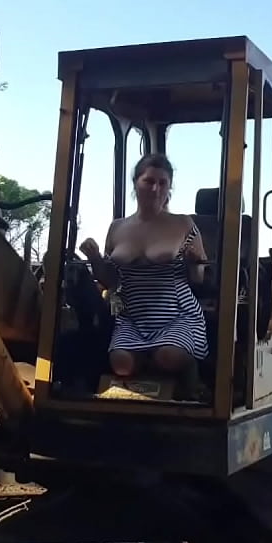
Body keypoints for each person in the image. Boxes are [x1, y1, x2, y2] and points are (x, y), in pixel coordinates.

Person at [79, 152, 208, 393]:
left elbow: (199, 279)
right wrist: (94, 258)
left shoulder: (183, 224)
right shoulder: (117, 227)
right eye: (149, 181)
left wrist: (192, 264)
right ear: (136, 182)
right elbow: (110, 280)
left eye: (163, 183)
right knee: (121, 364)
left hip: (176, 315)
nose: (155, 188)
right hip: (133, 317)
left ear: (169, 187)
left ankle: (192, 380)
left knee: (168, 356)